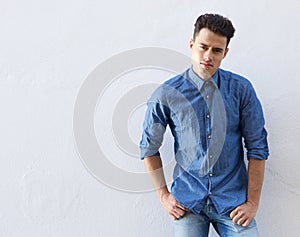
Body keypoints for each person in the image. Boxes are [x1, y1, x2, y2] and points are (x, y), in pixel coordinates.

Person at [139, 13, 269, 237]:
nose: (208, 55)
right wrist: (163, 195)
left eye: (217, 50)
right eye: (203, 46)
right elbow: (148, 148)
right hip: (187, 203)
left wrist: (252, 203)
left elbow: (258, 148)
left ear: (225, 53)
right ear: (192, 45)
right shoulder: (167, 94)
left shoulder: (241, 90)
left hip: (232, 203)